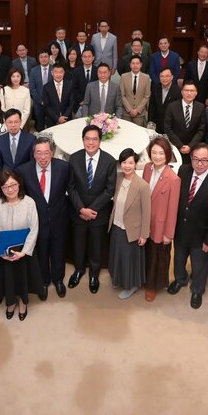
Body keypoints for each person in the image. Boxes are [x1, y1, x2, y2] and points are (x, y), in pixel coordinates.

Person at [168, 144, 208, 309]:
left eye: (203, 160)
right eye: (195, 159)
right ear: (191, 158)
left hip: (201, 236)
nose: (199, 163)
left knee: (199, 266)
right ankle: (180, 279)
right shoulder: (183, 171)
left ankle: (197, 290)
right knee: (179, 259)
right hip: (180, 230)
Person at [67, 125, 117, 294]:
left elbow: (110, 190)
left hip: (98, 213)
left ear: (100, 141)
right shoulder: (73, 159)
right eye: (87, 139)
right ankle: (79, 270)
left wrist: (91, 210)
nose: (90, 142)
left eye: (94, 139)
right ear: (83, 141)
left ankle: (94, 274)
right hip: (78, 211)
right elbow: (71, 187)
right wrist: (81, 208)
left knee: (96, 245)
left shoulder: (110, 161)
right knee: (78, 244)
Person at [19, 137, 70, 298]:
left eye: (46, 153)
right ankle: (44, 281)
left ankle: (58, 280)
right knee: (41, 251)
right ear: (33, 154)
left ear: (52, 153)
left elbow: (71, 191)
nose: (43, 157)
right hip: (36, 222)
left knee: (58, 250)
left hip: (58, 219)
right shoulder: (23, 171)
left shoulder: (64, 167)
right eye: (39, 153)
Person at [0, 170, 42, 320]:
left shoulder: (29, 202)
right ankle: (10, 302)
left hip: (23, 251)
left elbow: (34, 228)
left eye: (13, 185)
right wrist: (1, 252)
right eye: (5, 187)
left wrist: (24, 251)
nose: (10, 189)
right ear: (0, 188)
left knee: (23, 278)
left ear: (19, 184)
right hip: (4, 251)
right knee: (8, 278)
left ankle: (23, 303)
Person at [108, 149, 151, 300]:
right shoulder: (118, 178)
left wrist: (144, 235)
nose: (127, 166)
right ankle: (118, 279)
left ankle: (131, 285)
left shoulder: (142, 186)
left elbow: (147, 212)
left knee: (129, 259)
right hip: (117, 225)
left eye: (131, 163)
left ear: (136, 164)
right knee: (117, 255)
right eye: (124, 162)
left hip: (132, 230)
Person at [142, 137, 180, 301]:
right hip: (145, 221)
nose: (157, 156)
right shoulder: (147, 168)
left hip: (160, 225)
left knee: (157, 257)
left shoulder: (173, 179)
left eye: (161, 153)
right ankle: (142, 279)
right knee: (145, 253)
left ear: (168, 154)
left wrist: (168, 234)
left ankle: (152, 285)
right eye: (154, 152)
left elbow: (173, 209)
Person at [164, 81, 207, 162]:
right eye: (186, 90)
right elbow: (167, 128)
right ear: (182, 92)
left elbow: (201, 130)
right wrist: (180, 145)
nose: (189, 93)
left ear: (196, 93)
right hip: (175, 147)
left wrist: (190, 146)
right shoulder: (172, 107)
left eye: (192, 91)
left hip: (193, 148)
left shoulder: (201, 107)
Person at [0, 109, 36, 173]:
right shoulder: (0, 140)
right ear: (5, 122)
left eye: (16, 122)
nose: (13, 125)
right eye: (10, 122)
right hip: (7, 178)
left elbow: (32, 163)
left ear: (21, 122)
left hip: (24, 176)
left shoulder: (31, 139)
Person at [120, 55, 152, 126]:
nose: (135, 65)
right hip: (126, 114)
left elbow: (147, 96)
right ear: (130, 65)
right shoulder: (123, 77)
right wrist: (129, 109)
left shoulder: (146, 78)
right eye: (133, 63)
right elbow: (122, 95)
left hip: (140, 114)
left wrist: (137, 110)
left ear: (141, 65)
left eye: (137, 63)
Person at [29, 50, 52, 130]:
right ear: (38, 58)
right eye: (41, 57)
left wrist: (49, 100)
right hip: (38, 103)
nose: (43, 59)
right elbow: (32, 88)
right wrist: (40, 100)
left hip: (52, 103)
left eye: (46, 57)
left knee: (51, 125)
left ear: (49, 58)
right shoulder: (33, 71)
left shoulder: (54, 69)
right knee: (39, 125)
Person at [73, 48, 99, 113]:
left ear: (93, 58)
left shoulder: (98, 70)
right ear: (81, 58)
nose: (87, 59)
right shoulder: (76, 71)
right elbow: (74, 88)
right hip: (80, 103)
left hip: (95, 103)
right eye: (85, 56)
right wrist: (81, 100)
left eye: (89, 56)